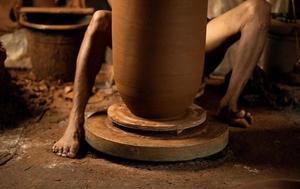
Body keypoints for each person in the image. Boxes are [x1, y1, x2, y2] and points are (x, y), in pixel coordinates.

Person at [52, 0, 271, 158]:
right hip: (142, 41)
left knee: (257, 9)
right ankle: (75, 121)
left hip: (192, 38)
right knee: (100, 19)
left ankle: (229, 104)